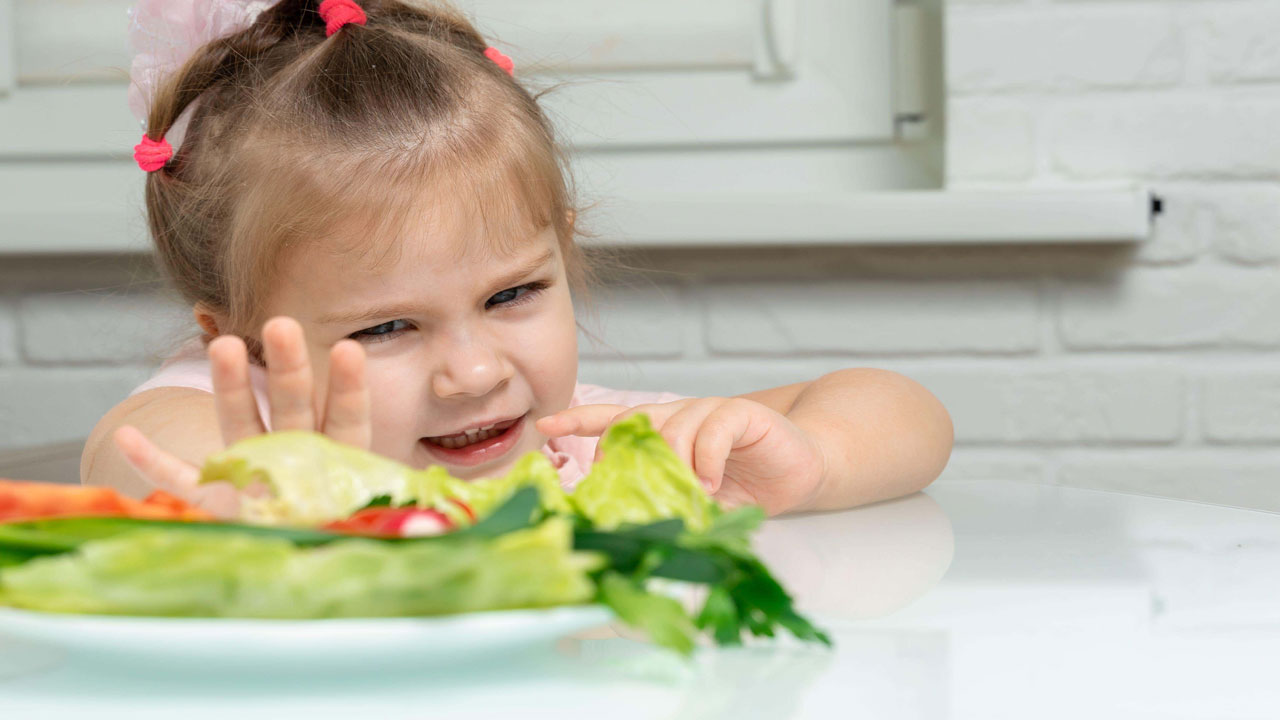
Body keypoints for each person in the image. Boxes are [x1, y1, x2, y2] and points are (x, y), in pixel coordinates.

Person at [83, 0, 954, 518]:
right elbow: (133, 452)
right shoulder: (253, 428)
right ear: (242, 344)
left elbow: (908, 414)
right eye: (387, 327)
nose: (470, 371)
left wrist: (815, 460)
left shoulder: (585, 446)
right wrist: (253, 504)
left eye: (511, 296)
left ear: (562, 254)